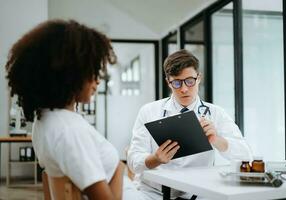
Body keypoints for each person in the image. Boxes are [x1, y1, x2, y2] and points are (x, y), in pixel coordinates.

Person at [5, 19, 143, 200]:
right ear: (70, 74)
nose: (98, 80)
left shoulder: (45, 120)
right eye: (92, 71)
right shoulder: (69, 130)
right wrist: (120, 168)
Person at [127, 49, 253, 200]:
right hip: (153, 193)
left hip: (197, 194)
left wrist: (217, 140)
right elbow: (133, 162)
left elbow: (246, 156)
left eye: (190, 81)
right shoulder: (149, 111)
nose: (184, 89)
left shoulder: (215, 113)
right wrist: (155, 159)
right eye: (177, 83)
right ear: (168, 82)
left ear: (199, 78)